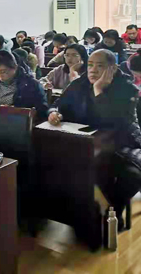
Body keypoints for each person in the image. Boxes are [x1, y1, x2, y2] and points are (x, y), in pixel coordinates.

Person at [48, 50, 141, 228]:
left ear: (113, 69)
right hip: (87, 142)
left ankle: (112, 215)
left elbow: (116, 121)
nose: (93, 70)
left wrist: (99, 91)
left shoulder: (127, 89)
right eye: (90, 65)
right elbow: (57, 104)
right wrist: (54, 113)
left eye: (100, 66)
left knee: (132, 175)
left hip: (123, 143)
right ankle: (83, 214)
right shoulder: (79, 83)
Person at [0, 50, 49, 120]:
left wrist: (15, 110)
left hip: (19, 122)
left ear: (15, 67)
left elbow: (43, 111)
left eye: (3, 71)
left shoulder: (31, 84)